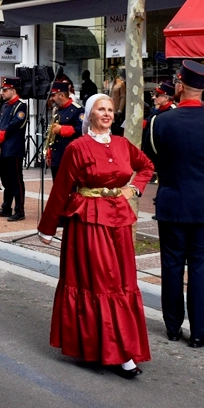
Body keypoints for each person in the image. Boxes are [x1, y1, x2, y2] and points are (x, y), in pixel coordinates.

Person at [37, 94, 154, 378]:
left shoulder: (123, 144)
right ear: (89, 114)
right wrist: (48, 227)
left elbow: (147, 166)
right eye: (101, 109)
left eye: (111, 110)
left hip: (120, 221)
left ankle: (121, 348)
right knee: (101, 283)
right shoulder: (77, 148)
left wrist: (134, 189)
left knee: (123, 282)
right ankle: (107, 350)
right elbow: (62, 188)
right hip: (89, 222)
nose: (107, 114)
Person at [149, 60, 204, 347]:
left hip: (172, 202)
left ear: (180, 85)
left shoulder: (161, 121)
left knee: (171, 265)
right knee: (200, 268)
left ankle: (172, 326)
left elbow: (154, 159)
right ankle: (199, 332)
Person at [0, 76, 28, 221]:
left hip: (14, 148)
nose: (2, 92)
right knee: (6, 179)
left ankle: (19, 210)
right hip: (4, 148)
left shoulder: (21, 106)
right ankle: (6, 207)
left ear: (13, 90)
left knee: (16, 180)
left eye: (5, 90)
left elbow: (13, 125)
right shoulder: (5, 105)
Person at [45, 81, 84, 180]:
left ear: (61, 95)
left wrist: (62, 129)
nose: (51, 98)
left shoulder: (77, 110)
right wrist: (49, 153)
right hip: (56, 155)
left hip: (69, 155)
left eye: (53, 95)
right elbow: (52, 135)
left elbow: (81, 130)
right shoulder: (57, 109)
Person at [141, 82, 176, 161]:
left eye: (157, 95)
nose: (153, 97)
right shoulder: (158, 111)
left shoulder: (172, 113)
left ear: (166, 98)